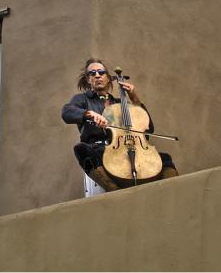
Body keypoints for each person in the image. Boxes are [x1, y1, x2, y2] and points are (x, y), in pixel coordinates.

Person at [61, 58, 178, 192]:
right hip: (99, 150)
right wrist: (90, 114)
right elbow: (67, 112)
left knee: (164, 159)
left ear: (109, 78)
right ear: (88, 79)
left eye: (101, 72)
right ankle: (113, 189)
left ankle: (172, 191)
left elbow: (148, 128)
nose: (97, 75)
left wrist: (134, 97)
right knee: (82, 150)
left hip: (126, 150)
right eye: (92, 73)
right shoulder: (82, 99)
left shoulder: (120, 104)